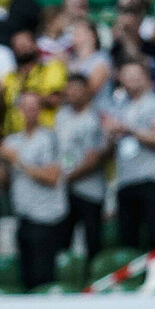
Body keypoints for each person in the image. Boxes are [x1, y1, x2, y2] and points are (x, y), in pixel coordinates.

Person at [103, 62, 155, 250]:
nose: (131, 79)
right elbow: (111, 149)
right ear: (120, 79)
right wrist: (110, 134)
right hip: (125, 179)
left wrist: (129, 130)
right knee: (127, 240)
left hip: (150, 177)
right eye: (127, 74)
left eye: (136, 74)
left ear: (145, 77)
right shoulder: (119, 106)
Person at [0, 92, 66, 290]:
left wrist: (17, 160)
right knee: (26, 280)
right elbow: (3, 183)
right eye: (25, 107)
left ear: (40, 110)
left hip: (45, 217)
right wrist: (3, 163)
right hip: (23, 216)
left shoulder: (48, 138)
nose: (29, 111)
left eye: (33, 106)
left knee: (43, 279)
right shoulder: (13, 141)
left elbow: (52, 177)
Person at [55, 74, 106, 261]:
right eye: (70, 89)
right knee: (62, 243)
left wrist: (65, 177)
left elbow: (94, 159)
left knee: (92, 242)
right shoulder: (61, 116)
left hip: (89, 191)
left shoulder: (95, 117)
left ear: (87, 91)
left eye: (77, 89)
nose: (73, 93)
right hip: (65, 192)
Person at [1, 30, 68, 135]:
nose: (21, 47)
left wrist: (28, 100)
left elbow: (56, 99)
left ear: (35, 45)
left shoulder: (52, 68)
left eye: (25, 43)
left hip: (44, 134)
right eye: (17, 45)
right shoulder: (9, 78)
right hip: (14, 137)